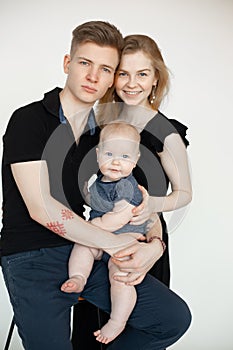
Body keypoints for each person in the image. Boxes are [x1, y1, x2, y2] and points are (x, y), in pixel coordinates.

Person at [0, 20, 191, 350]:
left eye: (106, 69)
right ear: (67, 63)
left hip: (85, 247)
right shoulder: (29, 119)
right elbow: (42, 209)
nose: (93, 77)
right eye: (85, 63)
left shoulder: (100, 136)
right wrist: (114, 244)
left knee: (171, 319)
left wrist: (154, 244)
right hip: (32, 256)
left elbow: (138, 197)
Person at [97, 34, 192, 288]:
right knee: (93, 324)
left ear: (155, 79)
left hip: (144, 242)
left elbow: (185, 193)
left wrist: (151, 206)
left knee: (136, 320)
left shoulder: (166, 132)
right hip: (100, 240)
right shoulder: (103, 125)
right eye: (123, 73)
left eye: (142, 74)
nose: (131, 83)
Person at [61, 122, 164, 344]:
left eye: (125, 157)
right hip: (102, 237)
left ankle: (118, 320)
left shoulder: (126, 185)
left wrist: (90, 228)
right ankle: (78, 277)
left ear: (135, 161)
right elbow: (95, 202)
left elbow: (120, 216)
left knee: (120, 274)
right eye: (109, 154)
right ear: (98, 156)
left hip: (126, 236)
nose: (116, 161)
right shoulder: (99, 181)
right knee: (83, 247)